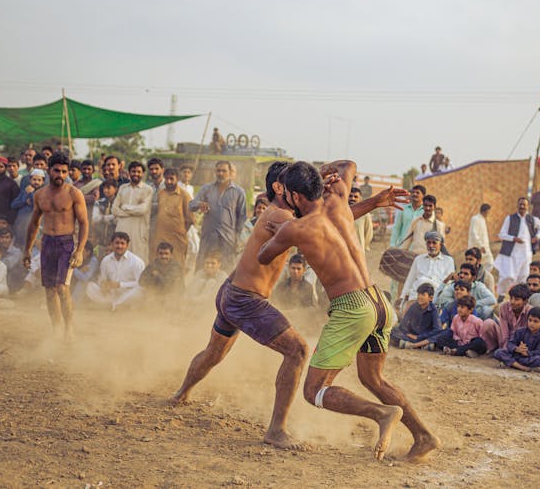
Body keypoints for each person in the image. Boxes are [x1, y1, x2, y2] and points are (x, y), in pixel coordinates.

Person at [171, 160, 409, 453]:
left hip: (232, 293)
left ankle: (181, 394)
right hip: (245, 299)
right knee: (297, 350)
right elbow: (331, 227)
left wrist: (324, 185)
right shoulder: (283, 217)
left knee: (214, 352)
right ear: (283, 190)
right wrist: (360, 199)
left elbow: (329, 224)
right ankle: (276, 430)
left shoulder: (285, 215)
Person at [257, 160, 439, 461]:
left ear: (296, 197)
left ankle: (382, 414)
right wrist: (322, 174)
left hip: (353, 307)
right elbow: (348, 164)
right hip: (378, 301)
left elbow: (264, 256)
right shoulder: (339, 196)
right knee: (373, 379)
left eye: (287, 193)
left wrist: (278, 230)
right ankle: (423, 436)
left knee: (314, 389)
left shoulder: (296, 228)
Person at [24, 153, 89, 341]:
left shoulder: (74, 193)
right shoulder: (40, 195)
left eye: (64, 171)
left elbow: (84, 223)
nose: (60, 174)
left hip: (66, 243)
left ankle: (69, 330)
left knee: (62, 287)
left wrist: (79, 250)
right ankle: (56, 329)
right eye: (56, 170)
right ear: (48, 170)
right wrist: (27, 250)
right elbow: (34, 224)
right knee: (49, 289)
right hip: (47, 243)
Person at [190, 161, 247, 271]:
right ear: (215, 172)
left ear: (230, 172)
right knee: (202, 268)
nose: (220, 173)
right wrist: (200, 204)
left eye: (224, 171)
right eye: (218, 171)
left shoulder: (239, 192)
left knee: (227, 271)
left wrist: (238, 239)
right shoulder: (207, 189)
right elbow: (191, 205)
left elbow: (242, 217)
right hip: (208, 237)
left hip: (228, 239)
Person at [494, 197, 540, 297]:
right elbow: (501, 234)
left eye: (524, 205)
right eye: (520, 204)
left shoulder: (532, 219)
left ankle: (520, 297)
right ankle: (501, 294)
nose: (522, 206)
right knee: (507, 276)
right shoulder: (510, 218)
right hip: (511, 253)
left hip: (526, 253)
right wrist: (513, 238)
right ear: (517, 206)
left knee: (524, 277)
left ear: (528, 206)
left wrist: (537, 237)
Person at [85, 232, 145, 310]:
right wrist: (103, 286)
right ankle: (115, 306)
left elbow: (141, 284)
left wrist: (120, 285)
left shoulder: (136, 262)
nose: (119, 246)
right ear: (112, 244)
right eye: (117, 243)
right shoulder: (106, 260)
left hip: (128, 293)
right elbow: (103, 279)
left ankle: (114, 306)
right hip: (112, 294)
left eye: (122, 243)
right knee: (90, 287)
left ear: (127, 245)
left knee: (139, 291)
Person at [399, 230, 454, 311]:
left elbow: (448, 284)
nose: (431, 245)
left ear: (441, 244)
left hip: (436, 297)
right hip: (417, 296)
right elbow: (410, 280)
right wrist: (402, 297)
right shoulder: (418, 259)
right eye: (428, 242)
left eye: (434, 243)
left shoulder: (448, 260)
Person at [112, 161, 153, 266]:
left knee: (139, 259)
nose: (136, 174)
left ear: (143, 173)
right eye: (133, 171)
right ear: (129, 172)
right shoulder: (123, 188)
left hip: (139, 230)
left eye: (139, 172)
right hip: (122, 227)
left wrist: (125, 207)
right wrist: (133, 211)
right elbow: (114, 210)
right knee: (121, 258)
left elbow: (142, 210)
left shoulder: (148, 190)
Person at [152, 168, 193, 266]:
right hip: (161, 236)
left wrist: (179, 230)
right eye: (166, 179)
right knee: (160, 265)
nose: (168, 181)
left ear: (177, 179)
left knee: (177, 265)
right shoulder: (161, 194)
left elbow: (190, 219)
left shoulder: (184, 195)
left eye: (171, 179)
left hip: (177, 239)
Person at [493, 307, 540, 371]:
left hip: (528, 358)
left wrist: (527, 353)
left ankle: (511, 364)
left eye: (535, 321)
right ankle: (521, 367)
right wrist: (517, 349)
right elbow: (510, 343)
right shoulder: (520, 331)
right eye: (530, 320)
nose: (532, 323)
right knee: (499, 352)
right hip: (516, 355)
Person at [391, 284, 442, 349]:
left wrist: (419, 337)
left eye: (423, 295)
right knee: (392, 330)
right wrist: (408, 334)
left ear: (431, 298)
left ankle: (411, 345)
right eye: (418, 294)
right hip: (411, 336)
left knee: (440, 335)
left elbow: (437, 330)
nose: (419, 297)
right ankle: (423, 346)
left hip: (425, 337)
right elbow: (403, 324)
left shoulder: (434, 310)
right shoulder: (414, 306)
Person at [486, 283, 533, 350]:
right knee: (488, 323)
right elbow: (504, 332)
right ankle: (492, 349)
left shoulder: (530, 311)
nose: (512, 302)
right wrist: (506, 347)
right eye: (511, 298)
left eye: (516, 299)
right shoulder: (504, 307)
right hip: (505, 339)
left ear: (525, 301)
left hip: (522, 342)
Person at [11, 169, 45, 249]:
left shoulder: (44, 193)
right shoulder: (25, 191)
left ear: (43, 181)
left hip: (35, 228)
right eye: (34, 179)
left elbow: (36, 206)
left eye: (39, 180)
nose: (36, 182)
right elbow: (14, 205)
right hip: (21, 225)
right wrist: (25, 200)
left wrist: (30, 194)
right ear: (30, 180)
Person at [390, 184, 425, 250]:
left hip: (419, 248)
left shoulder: (426, 212)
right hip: (403, 246)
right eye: (413, 192)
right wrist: (392, 244)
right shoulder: (403, 209)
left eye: (417, 193)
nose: (414, 194)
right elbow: (397, 227)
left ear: (423, 196)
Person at [467, 203, 494, 272]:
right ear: (484, 211)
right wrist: (480, 246)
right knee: (474, 266)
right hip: (477, 248)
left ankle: (481, 278)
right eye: (488, 212)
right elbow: (474, 233)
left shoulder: (483, 220)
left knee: (490, 263)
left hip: (485, 247)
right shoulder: (475, 219)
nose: (489, 214)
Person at [348, 187, 373, 256]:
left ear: (360, 199)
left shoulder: (365, 214)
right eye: (350, 196)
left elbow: (369, 233)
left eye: (356, 196)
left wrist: (362, 247)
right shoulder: (339, 212)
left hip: (358, 252)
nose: (352, 198)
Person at [92, 180, 118, 246]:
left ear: (116, 189)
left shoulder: (119, 203)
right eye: (104, 188)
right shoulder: (99, 202)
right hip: (101, 235)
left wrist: (102, 218)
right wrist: (110, 217)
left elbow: (118, 219)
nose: (105, 190)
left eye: (108, 188)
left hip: (115, 235)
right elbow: (95, 218)